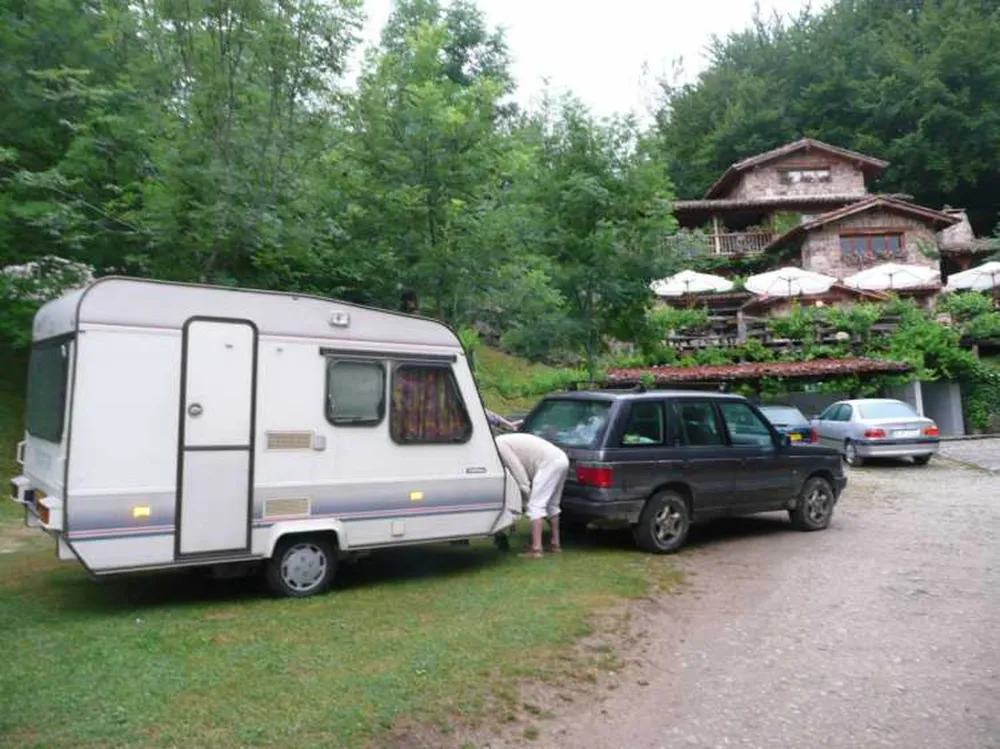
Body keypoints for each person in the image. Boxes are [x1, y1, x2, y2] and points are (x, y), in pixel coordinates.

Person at [495, 432, 570, 558]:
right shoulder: (505, 440)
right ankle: (555, 544)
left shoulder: (499, 444)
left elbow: (519, 473)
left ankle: (536, 549)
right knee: (552, 505)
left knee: (535, 506)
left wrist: (527, 497)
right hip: (561, 458)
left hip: (549, 462)